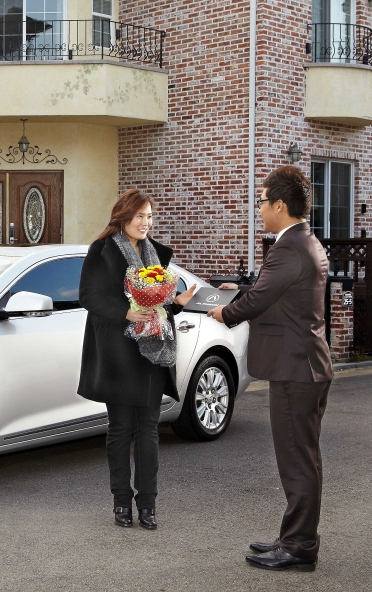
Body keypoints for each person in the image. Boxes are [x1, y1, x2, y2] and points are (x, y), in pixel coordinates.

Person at [206, 165, 333, 572]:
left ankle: (299, 547)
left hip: (297, 370)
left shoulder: (289, 247)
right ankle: (294, 538)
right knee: (302, 458)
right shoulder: (303, 241)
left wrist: (223, 311)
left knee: (297, 461)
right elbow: (273, 291)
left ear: (279, 205)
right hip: (305, 367)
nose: (258, 208)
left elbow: (259, 301)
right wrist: (240, 290)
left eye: (261, 201)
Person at [78, 189, 196, 530]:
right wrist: (126, 313)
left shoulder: (155, 253)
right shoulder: (102, 249)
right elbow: (89, 296)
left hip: (151, 351)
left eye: (149, 216)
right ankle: (121, 502)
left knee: (148, 430)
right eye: (139, 216)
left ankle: (147, 505)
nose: (146, 223)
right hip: (117, 352)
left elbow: (158, 302)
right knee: (120, 429)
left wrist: (177, 303)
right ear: (123, 216)